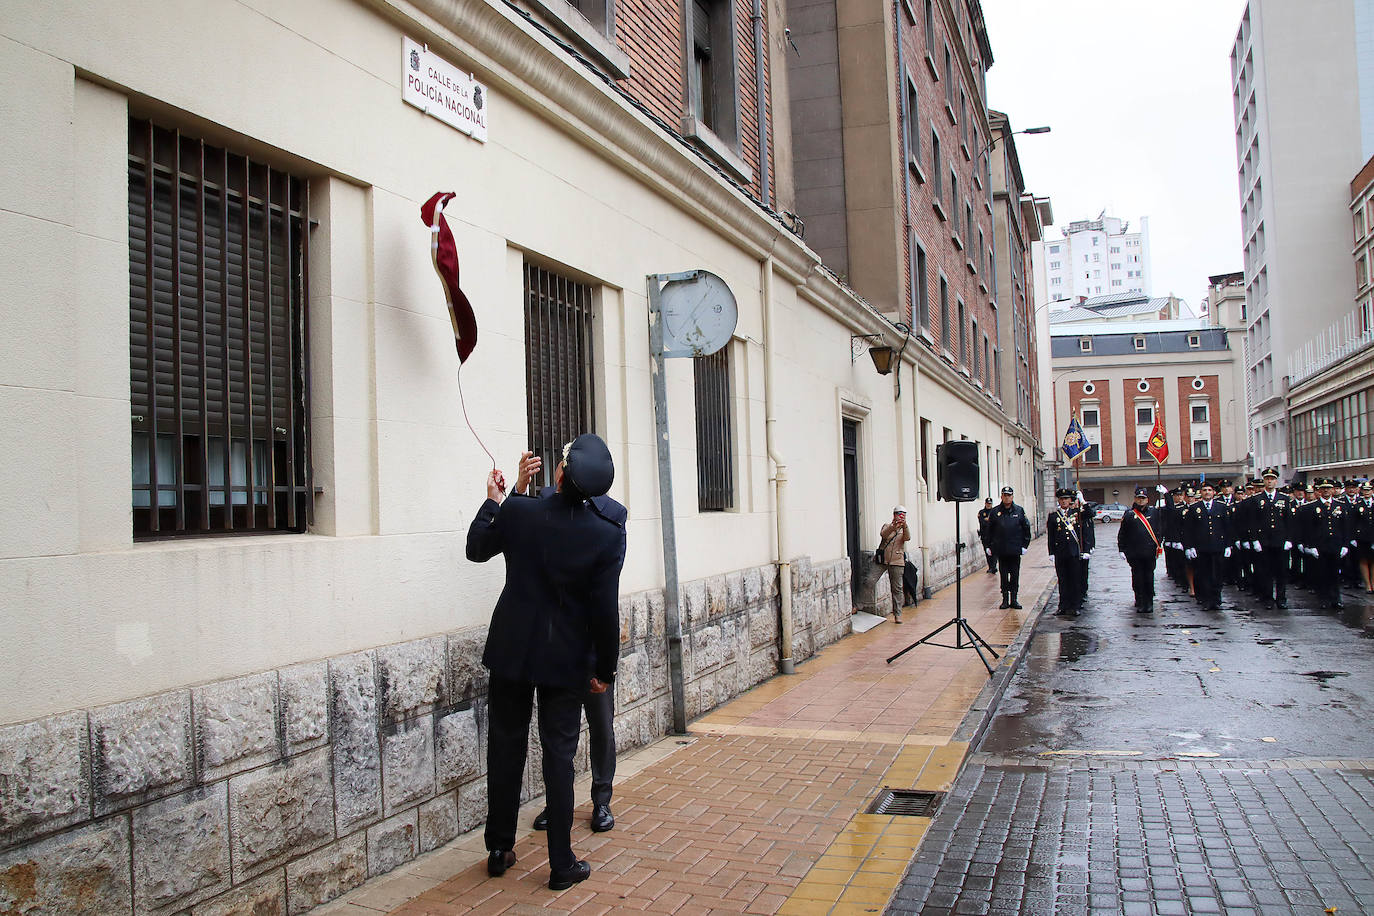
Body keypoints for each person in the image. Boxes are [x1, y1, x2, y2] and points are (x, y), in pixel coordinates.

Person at [466, 435, 626, 891]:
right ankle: (561, 862)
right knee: (559, 755)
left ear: (558, 474)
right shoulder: (606, 533)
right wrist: (605, 671)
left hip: (513, 651)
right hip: (566, 660)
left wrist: (501, 497)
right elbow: (605, 610)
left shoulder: (520, 510)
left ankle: (499, 847)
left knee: (505, 746)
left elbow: (477, 547)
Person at [512, 455, 619, 836]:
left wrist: (605, 661)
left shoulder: (612, 515)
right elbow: (517, 526)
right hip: (557, 644)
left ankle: (602, 799)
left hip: (591, 643)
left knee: (600, 725)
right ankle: (558, 806)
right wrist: (519, 488)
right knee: (557, 737)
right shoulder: (544, 502)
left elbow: (606, 591)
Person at [1298, 477, 1352, 609]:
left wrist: (1345, 545)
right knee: (1321, 574)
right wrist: (1310, 546)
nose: (1326, 491)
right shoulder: (1310, 508)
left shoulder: (1341, 506)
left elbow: (1345, 527)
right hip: (1320, 545)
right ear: (1319, 491)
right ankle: (1323, 599)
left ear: (1333, 490)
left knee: (1335, 574)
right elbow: (1308, 529)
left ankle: (1336, 599)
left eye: (1328, 488)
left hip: (1336, 544)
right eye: (1323, 488)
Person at [1246, 467, 1293, 609]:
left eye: (1272, 479)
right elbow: (1253, 521)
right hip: (1263, 540)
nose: (1270, 481)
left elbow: (1289, 521)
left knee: (1281, 572)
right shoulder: (1256, 499)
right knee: (1265, 571)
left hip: (1280, 540)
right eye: (1267, 479)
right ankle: (1267, 598)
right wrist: (1254, 540)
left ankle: (1281, 598)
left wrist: (1289, 539)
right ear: (1264, 481)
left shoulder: (1284, 499)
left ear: (1276, 481)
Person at [1184, 482, 1232, 611]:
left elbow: (1227, 528)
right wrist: (1189, 547)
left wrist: (1228, 545)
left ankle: (1216, 599)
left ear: (1214, 492)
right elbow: (1189, 529)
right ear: (1201, 492)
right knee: (1203, 575)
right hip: (1201, 547)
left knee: (1217, 574)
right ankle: (1205, 599)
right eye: (1204, 490)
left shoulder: (1221, 507)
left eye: (1209, 490)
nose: (1207, 492)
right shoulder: (1194, 508)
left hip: (1218, 546)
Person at [1118, 485, 1163, 612]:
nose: (1141, 500)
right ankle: (1140, 600)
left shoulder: (1154, 512)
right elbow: (1123, 533)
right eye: (1139, 498)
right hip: (1134, 553)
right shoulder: (1129, 514)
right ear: (1135, 499)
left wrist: (1158, 544)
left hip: (1149, 552)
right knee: (1137, 579)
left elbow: (1159, 530)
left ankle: (1148, 603)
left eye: (1143, 498)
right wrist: (1121, 549)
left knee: (1148, 578)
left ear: (1147, 499)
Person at [988, 486, 1031, 609]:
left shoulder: (1019, 511)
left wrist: (1025, 545)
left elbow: (1026, 529)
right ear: (1001, 496)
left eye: (1009, 495)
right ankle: (1005, 599)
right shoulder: (995, 512)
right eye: (1004, 495)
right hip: (1001, 550)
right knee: (1003, 574)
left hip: (1015, 549)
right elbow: (989, 531)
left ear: (1012, 497)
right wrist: (989, 546)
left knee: (1015, 574)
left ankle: (1014, 599)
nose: (1007, 498)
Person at [1049, 488, 1087, 616]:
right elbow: (1051, 536)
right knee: (1063, 580)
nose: (1064, 501)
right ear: (1058, 501)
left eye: (1066, 499)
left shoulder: (1077, 513)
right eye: (1061, 499)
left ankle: (1075, 606)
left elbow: (1090, 514)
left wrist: (1082, 501)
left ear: (1071, 500)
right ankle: (1063, 606)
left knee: (1075, 580)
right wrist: (1051, 552)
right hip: (1061, 553)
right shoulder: (1054, 516)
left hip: (1074, 553)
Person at [879, 506, 912, 622]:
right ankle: (859, 605)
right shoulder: (887, 526)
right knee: (869, 580)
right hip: (883, 560)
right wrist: (893, 526)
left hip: (897, 561)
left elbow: (907, 538)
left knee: (897, 588)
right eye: (898, 514)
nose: (900, 516)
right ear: (894, 515)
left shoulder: (904, 529)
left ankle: (898, 614)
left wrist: (905, 525)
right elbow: (883, 535)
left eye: (903, 514)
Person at [1353, 480, 1374, 593]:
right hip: (1362, 537)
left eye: (1369, 490)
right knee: (1364, 560)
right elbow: (1353, 522)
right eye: (1365, 490)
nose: (1367, 492)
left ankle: (1373, 583)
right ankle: (1367, 584)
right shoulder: (1358, 505)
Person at [977, 498, 998, 576]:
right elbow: (983, 523)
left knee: (994, 551)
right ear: (985, 504)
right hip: (985, 535)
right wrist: (988, 521)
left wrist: (988, 521)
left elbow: (995, 523)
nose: (989, 505)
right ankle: (990, 566)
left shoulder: (995, 512)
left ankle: (994, 566)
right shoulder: (981, 512)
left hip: (994, 535)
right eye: (987, 504)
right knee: (987, 551)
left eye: (990, 504)